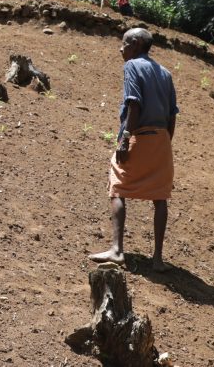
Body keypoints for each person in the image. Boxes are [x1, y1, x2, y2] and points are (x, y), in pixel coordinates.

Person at [89, 28, 178, 271]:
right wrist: (165, 143)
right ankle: (158, 259)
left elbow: (134, 104)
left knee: (118, 186)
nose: (121, 48)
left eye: (124, 43)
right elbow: (172, 114)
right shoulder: (166, 73)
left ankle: (117, 250)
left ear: (136, 44)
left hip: (139, 134)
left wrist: (125, 139)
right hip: (162, 139)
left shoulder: (132, 66)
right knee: (160, 196)